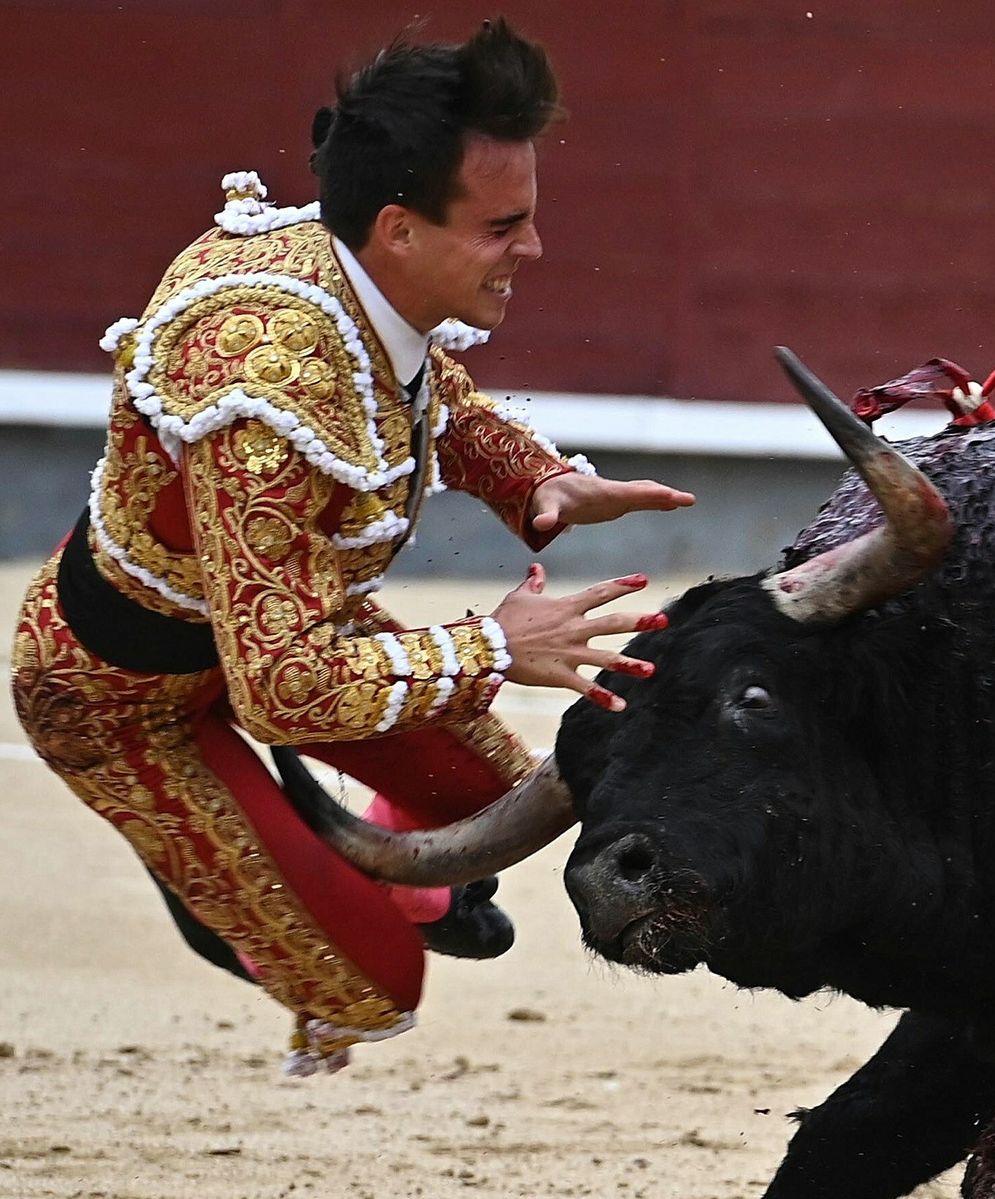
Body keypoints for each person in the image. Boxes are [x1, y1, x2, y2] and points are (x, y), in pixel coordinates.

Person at [9, 18, 694, 1075]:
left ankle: (336, 869)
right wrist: (492, 648)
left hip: (276, 618)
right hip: (123, 698)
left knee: (499, 806)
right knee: (374, 988)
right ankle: (217, 887)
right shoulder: (265, 384)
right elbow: (283, 686)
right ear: (401, 229)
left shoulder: (356, 274)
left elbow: (422, 390)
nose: (536, 249)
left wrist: (536, 477)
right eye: (504, 225)